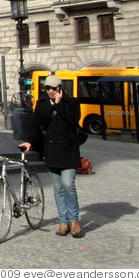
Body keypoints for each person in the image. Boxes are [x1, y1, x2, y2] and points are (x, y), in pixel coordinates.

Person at [19, 75, 84, 238]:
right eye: (47, 88)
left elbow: (73, 120)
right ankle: (63, 221)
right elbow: (35, 124)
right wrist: (29, 141)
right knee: (58, 188)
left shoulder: (72, 102)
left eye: (54, 88)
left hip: (69, 150)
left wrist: (59, 104)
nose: (50, 91)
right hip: (52, 150)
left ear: (61, 89)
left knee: (68, 184)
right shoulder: (42, 104)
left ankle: (74, 221)